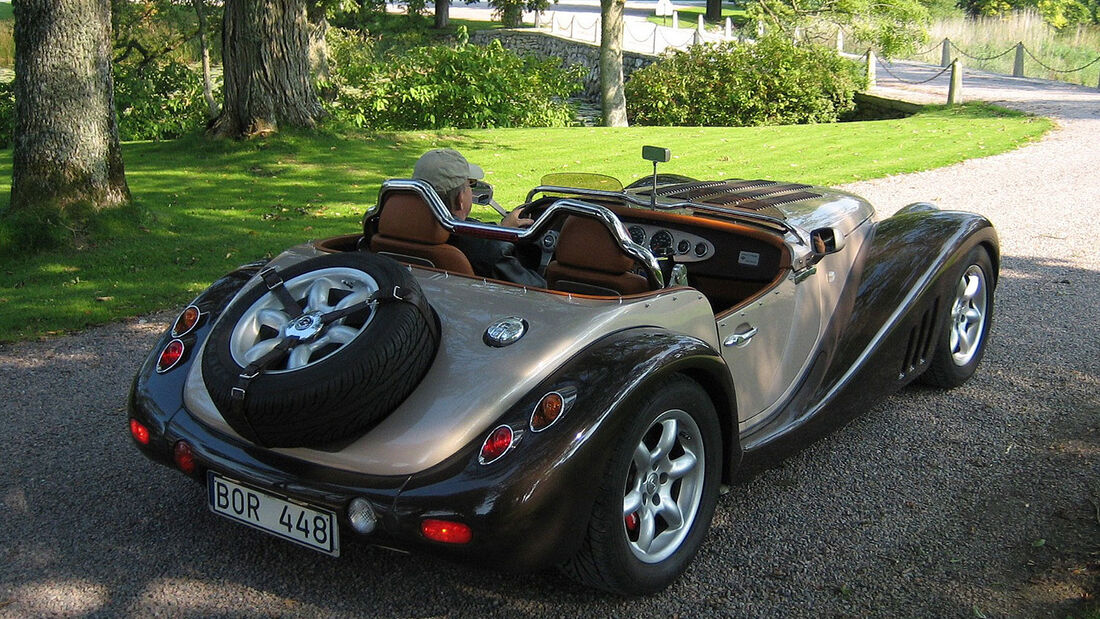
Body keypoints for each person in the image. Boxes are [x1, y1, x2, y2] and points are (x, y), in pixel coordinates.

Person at [412, 148, 545, 288]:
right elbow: (539, 290)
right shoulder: (490, 253)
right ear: (460, 199)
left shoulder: (398, 232)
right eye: (471, 185)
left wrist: (502, 230)